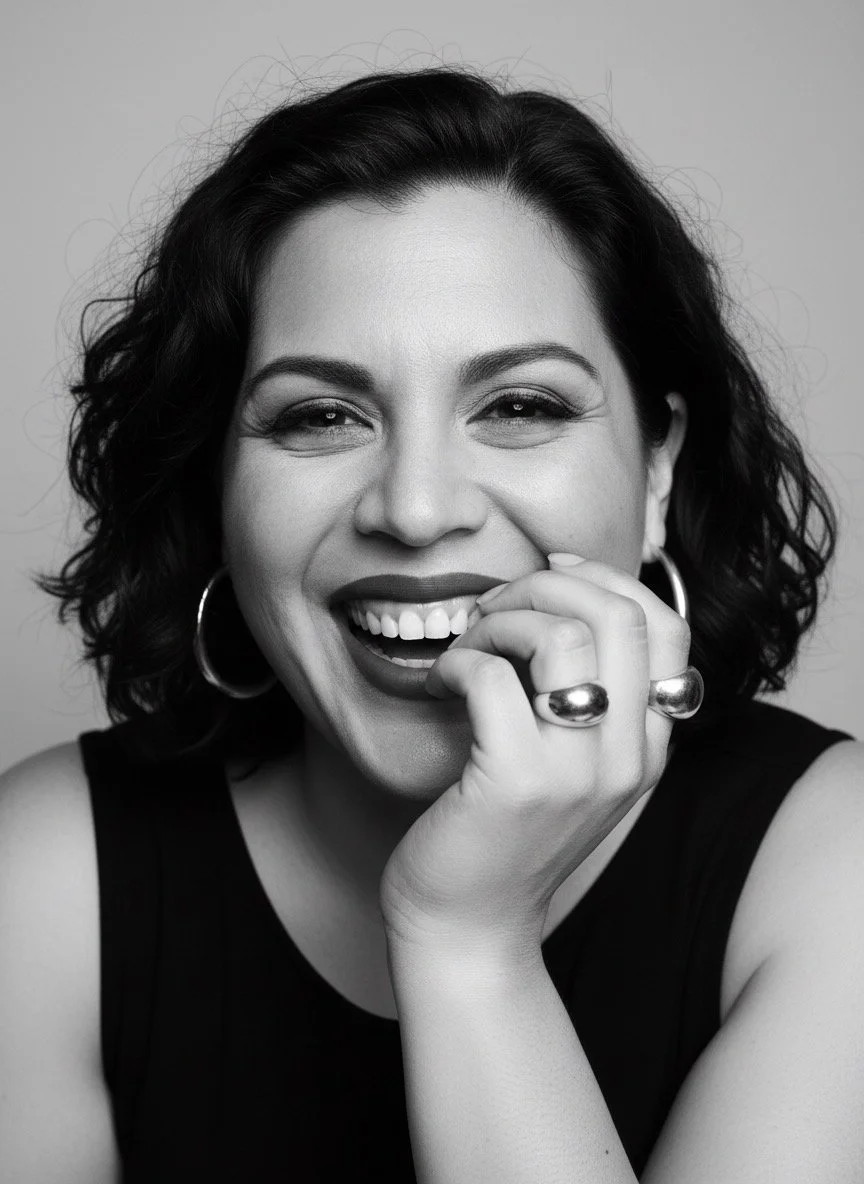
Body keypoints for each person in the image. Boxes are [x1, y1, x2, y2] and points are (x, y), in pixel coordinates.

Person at [0, 63, 860, 1184]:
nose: (414, 510)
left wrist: (469, 941)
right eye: (320, 415)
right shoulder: (45, 875)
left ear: (657, 467)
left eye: (520, 406)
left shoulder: (833, 865)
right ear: (216, 483)